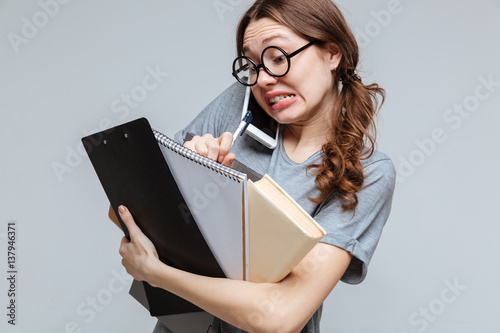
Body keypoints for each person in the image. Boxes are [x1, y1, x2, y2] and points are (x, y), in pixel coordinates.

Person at [118, 0, 396, 332]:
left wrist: (156, 273)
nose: (262, 79)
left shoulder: (367, 174)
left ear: (332, 53)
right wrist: (186, 176)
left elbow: (279, 318)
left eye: (278, 58)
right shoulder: (240, 105)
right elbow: (122, 207)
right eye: (251, 66)